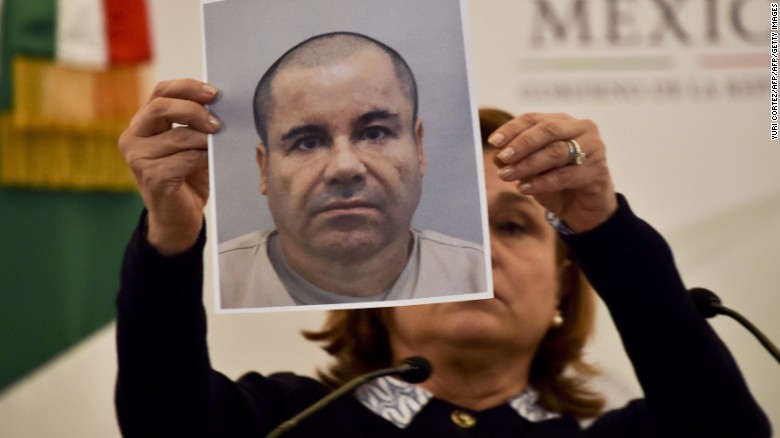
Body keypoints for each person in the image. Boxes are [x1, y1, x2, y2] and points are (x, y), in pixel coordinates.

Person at [116, 79, 771, 436]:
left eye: (513, 228)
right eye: (444, 226)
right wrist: (171, 238)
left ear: (563, 288)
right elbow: (160, 421)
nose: (480, 254)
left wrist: (602, 224)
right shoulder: (280, 423)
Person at [217, 32, 486, 308]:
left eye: (374, 133)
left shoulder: (482, 276)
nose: (344, 167)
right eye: (308, 143)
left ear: (418, 148)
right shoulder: (208, 284)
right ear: (264, 169)